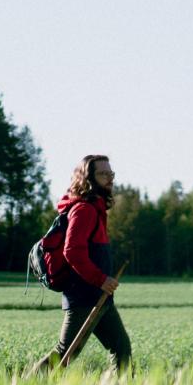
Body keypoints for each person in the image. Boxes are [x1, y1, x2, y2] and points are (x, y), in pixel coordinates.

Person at [36, 154, 132, 371]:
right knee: (65, 353)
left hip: (99, 296)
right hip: (85, 297)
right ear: (87, 178)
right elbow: (72, 252)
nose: (109, 178)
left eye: (111, 173)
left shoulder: (95, 209)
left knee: (121, 349)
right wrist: (101, 279)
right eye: (103, 174)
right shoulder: (84, 210)